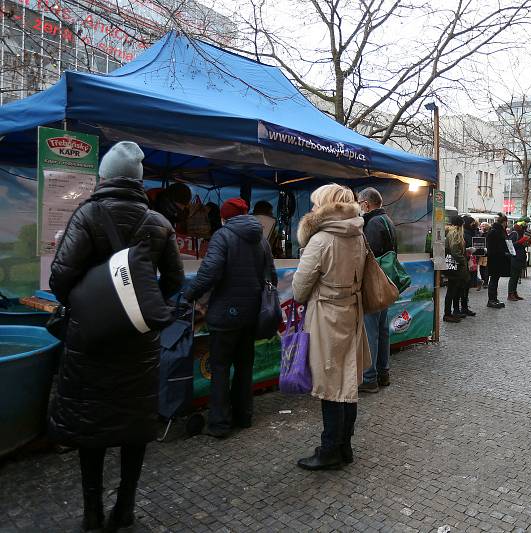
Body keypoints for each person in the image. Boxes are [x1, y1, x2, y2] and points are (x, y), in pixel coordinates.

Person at [49, 142, 185, 532]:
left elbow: (60, 278)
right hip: (137, 341)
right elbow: (174, 280)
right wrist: (137, 303)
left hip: (89, 341)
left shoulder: (87, 214)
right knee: (133, 423)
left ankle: (92, 512)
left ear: (104, 176)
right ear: (139, 181)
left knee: (89, 424)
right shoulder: (159, 223)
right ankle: (124, 510)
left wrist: (93, 305)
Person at [292, 184, 371, 470]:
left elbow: (300, 289)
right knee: (347, 382)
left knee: (330, 385)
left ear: (325, 205)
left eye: (315, 204)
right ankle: (344, 445)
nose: (313, 209)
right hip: (352, 312)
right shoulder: (359, 235)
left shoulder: (321, 240)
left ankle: (329, 450)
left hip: (327, 315)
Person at [185, 197, 275, 438]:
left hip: (224, 315)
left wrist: (189, 295)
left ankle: (220, 424)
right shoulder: (261, 239)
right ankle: (244, 416)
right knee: (245, 365)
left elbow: (208, 273)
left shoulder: (222, 236)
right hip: (251, 313)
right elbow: (272, 276)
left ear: (224, 217)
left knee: (221, 367)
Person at [357, 187, 397, 392]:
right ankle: (383, 372)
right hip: (386, 283)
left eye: (359, 202)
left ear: (366, 203)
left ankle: (370, 377)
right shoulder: (387, 220)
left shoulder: (371, 223)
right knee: (382, 331)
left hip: (374, 284)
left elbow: (367, 257)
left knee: (371, 331)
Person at [443, 216, 470, 321]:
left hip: (454, 265)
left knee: (454, 290)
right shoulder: (455, 234)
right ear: (460, 225)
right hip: (455, 266)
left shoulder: (452, 233)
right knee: (452, 290)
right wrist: (463, 260)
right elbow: (455, 251)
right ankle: (448, 314)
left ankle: (452, 312)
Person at [486, 213, 510, 308]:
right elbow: (492, 247)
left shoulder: (499, 231)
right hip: (495, 259)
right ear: (504, 222)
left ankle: (494, 298)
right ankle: (491, 299)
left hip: (498, 259)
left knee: (495, 280)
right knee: (493, 280)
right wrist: (503, 252)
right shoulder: (495, 231)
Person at [507, 218, 531, 301]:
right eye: (524, 227)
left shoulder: (521, 234)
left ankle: (514, 292)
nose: (525, 229)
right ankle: (510, 294)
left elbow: (521, 246)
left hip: (520, 257)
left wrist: (527, 242)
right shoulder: (514, 233)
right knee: (513, 277)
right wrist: (521, 241)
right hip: (515, 258)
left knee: (517, 276)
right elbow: (510, 245)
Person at [478, 222, 490, 289]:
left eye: (484, 226)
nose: (482, 227)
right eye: (482, 226)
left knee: (485, 268)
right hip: (481, 253)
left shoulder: (488, 234)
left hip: (486, 253)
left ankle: (485, 282)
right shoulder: (480, 233)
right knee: (481, 268)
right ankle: (483, 280)